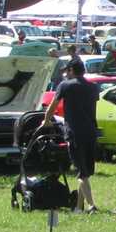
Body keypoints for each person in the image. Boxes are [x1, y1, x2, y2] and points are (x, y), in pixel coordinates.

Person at [42, 58, 101, 212]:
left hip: (75, 132)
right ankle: (78, 207)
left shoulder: (65, 86)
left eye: (67, 71)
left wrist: (46, 120)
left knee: (82, 173)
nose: (66, 74)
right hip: (91, 131)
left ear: (71, 71)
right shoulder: (93, 87)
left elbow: (53, 105)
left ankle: (91, 205)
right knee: (86, 172)